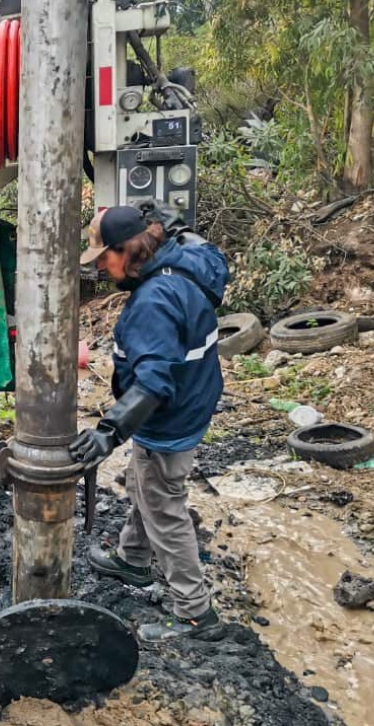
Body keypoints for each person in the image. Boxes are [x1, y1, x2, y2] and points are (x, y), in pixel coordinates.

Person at [69, 205, 230, 642]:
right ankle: (133, 558)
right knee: (147, 483)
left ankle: (196, 613)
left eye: (105, 257)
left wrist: (109, 431)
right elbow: (212, 252)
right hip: (196, 398)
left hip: (170, 418)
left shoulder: (153, 305)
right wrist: (175, 226)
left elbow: (154, 384)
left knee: (164, 506)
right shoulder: (190, 261)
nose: (101, 266)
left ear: (130, 250)